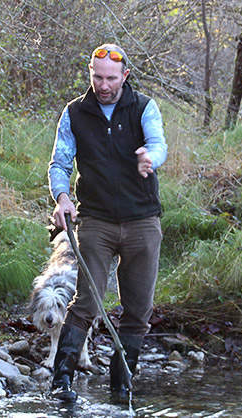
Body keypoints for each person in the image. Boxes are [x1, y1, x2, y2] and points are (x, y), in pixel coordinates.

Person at [47, 43, 167, 402]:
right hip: (95, 220)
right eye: (97, 77)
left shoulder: (144, 107)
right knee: (86, 302)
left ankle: (121, 386)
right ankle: (61, 381)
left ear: (125, 76)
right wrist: (62, 197)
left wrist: (149, 158)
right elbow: (59, 162)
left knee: (139, 309)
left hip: (142, 219)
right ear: (90, 73)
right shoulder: (75, 113)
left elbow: (158, 143)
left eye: (110, 78)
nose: (103, 84)